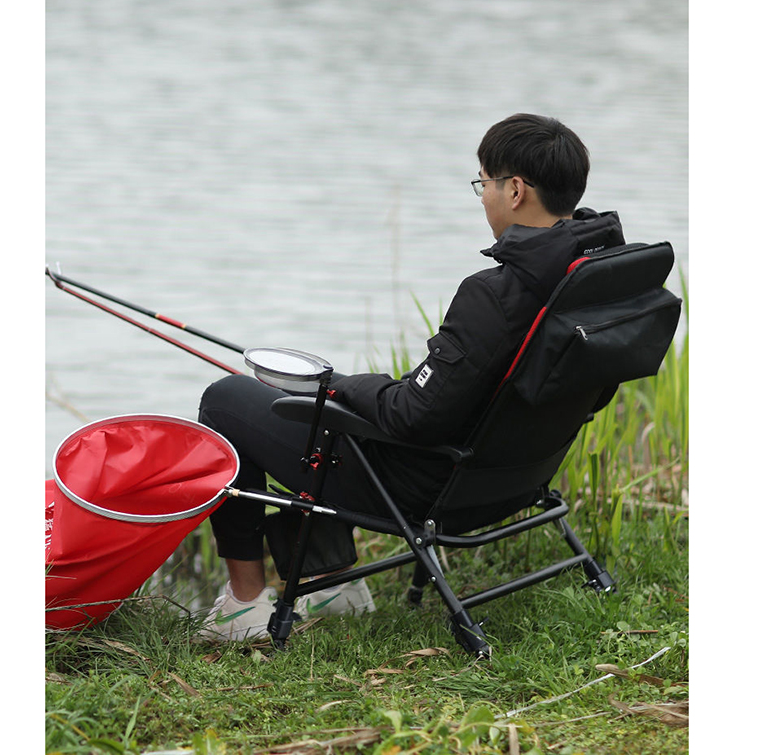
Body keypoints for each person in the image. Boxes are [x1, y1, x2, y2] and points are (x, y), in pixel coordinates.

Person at [197, 113, 625, 642]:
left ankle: (243, 607)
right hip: (516, 478)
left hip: (429, 489)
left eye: (484, 184)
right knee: (325, 405)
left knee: (226, 400)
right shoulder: (591, 274)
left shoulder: (495, 295)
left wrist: (342, 384)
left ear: (515, 191)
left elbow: (411, 416)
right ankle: (335, 587)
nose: (483, 198)